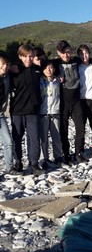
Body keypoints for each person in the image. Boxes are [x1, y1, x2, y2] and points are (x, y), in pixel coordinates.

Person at [10, 44, 42, 174]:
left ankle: (33, 164)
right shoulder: (14, 70)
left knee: (34, 138)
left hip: (33, 111)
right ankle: (18, 162)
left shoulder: (37, 70)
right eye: (26, 56)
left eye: (31, 56)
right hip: (17, 111)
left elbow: (53, 65)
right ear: (20, 57)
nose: (28, 59)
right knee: (17, 138)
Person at [52, 40, 86, 164]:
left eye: (68, 52)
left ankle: (78, 152)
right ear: (58, 53)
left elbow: (88, 60)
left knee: (81, 128)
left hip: (76, 101)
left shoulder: (76, 61)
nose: (66, 55)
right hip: (63, 103)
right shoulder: (55, 63)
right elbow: (42, 64)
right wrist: (55, 75)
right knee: (64, 130)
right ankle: (66, 154)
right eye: (63, 53)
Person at [39, 60, 63, 169]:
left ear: (54, 69)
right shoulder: (39, 81)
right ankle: (44, 158)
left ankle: (58, 156)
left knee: (57, 136)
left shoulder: (58, 81)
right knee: (43, 138)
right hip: (43, 113)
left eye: (51, 67)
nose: (48, 70)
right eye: (46, 68)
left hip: (56, 112)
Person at [0, 51, 14, 175]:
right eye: (3, 63)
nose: (5, 66)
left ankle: (10, 167)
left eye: (7, 64)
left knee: (8, 142)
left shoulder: (7, 77)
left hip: (0, 115)